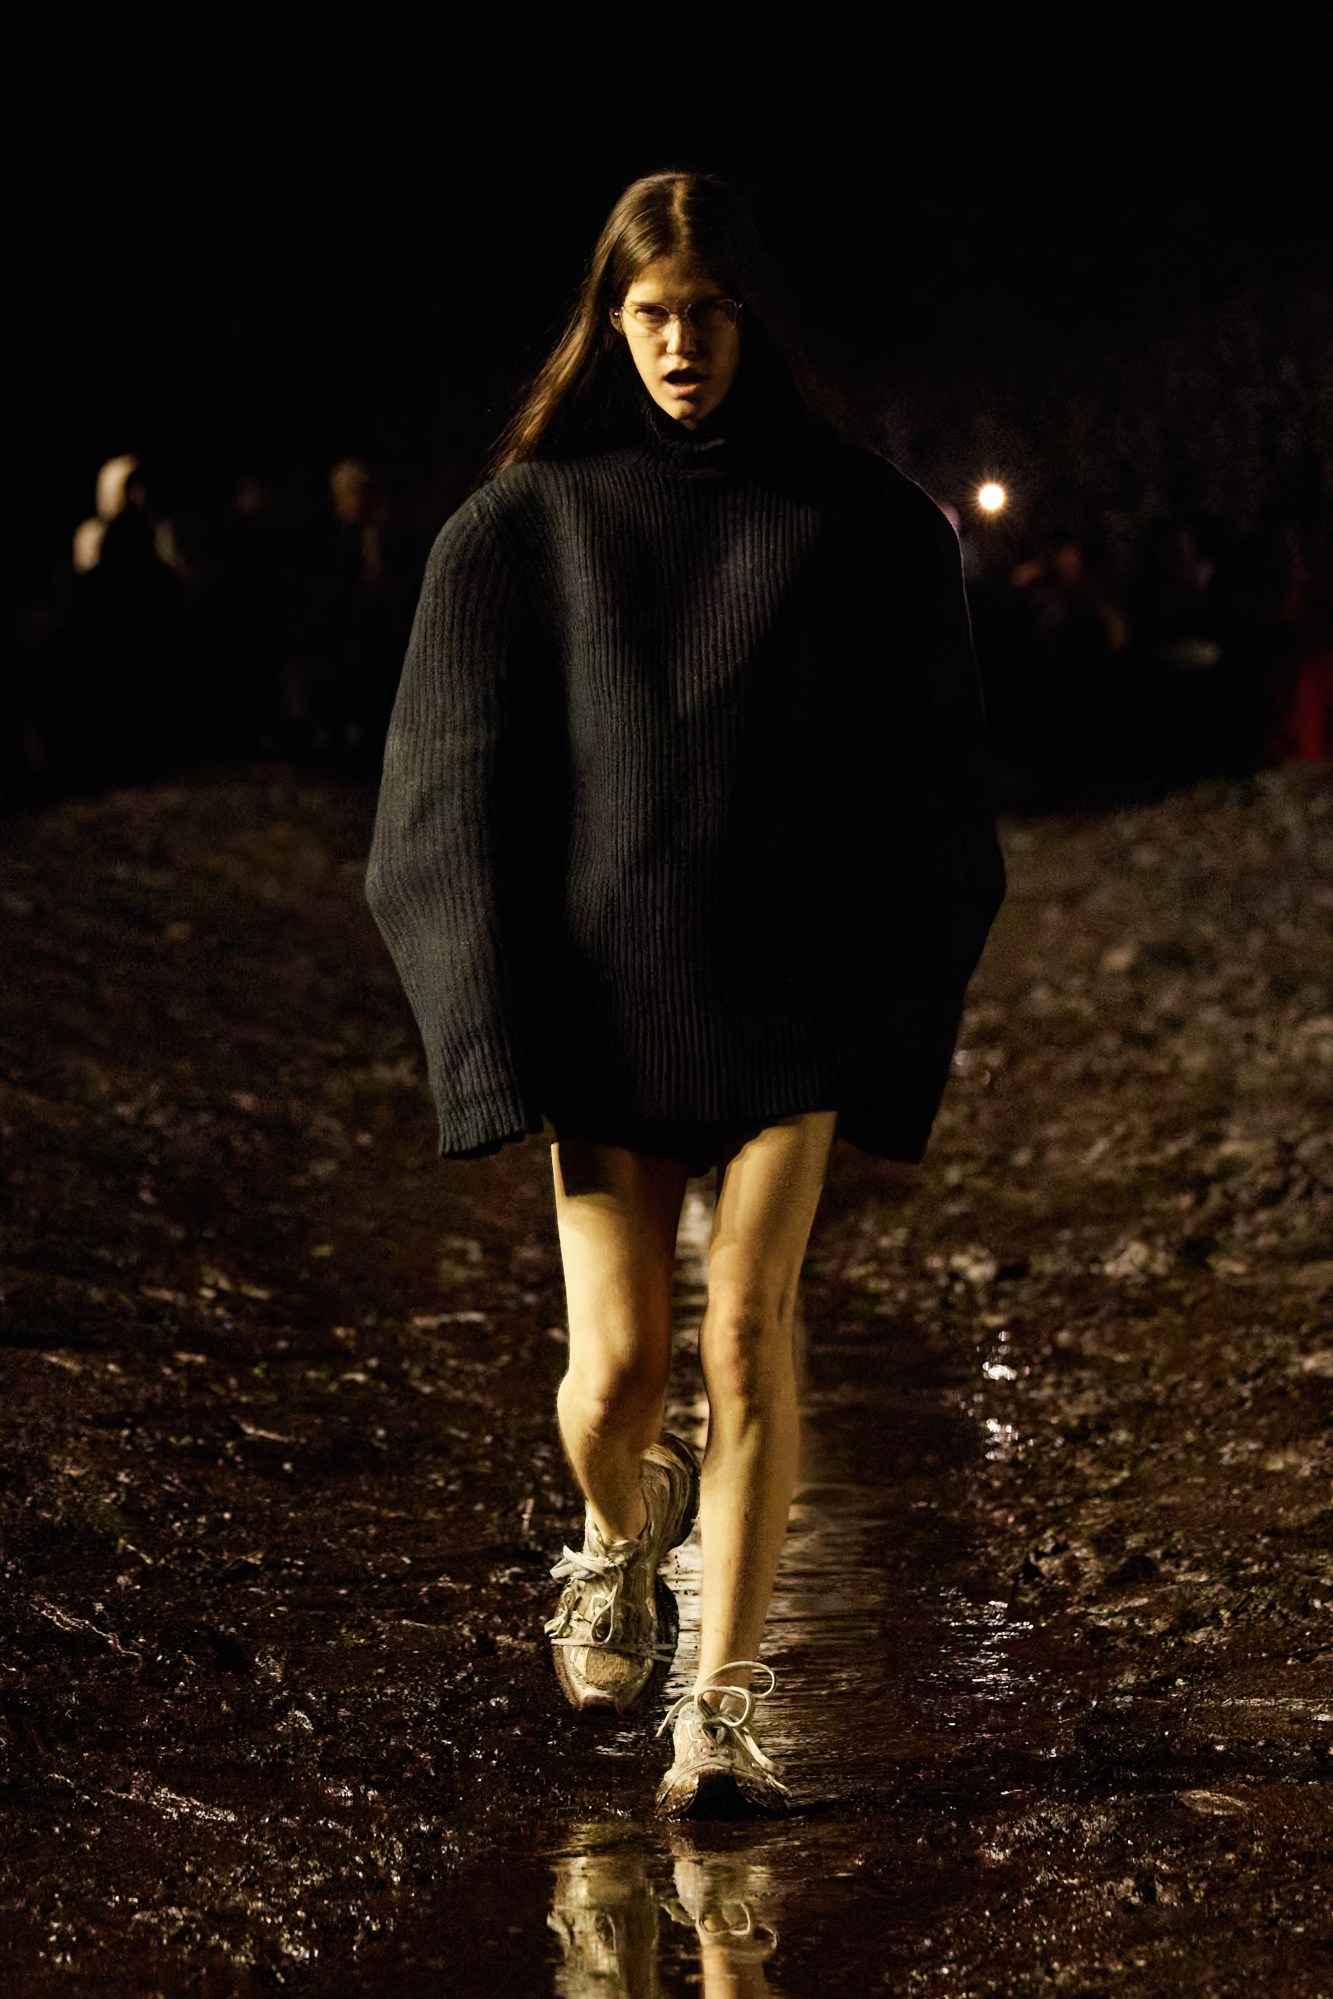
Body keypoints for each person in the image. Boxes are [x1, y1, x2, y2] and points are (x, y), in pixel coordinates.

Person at [365, 170, 1005, 1817]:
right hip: (602, 1001)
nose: (679, 346)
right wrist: (489, 1041)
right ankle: (614, 1537)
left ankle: (716, 1709)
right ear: (609, 322)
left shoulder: (859, 527)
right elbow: (436, 808)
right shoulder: (521, 530)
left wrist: (901, 1019)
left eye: (708, 314)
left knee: (748, 1335)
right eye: (650, 314)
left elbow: (932, 795)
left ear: (751, 321)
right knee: (616, 1380)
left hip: (792, 992)